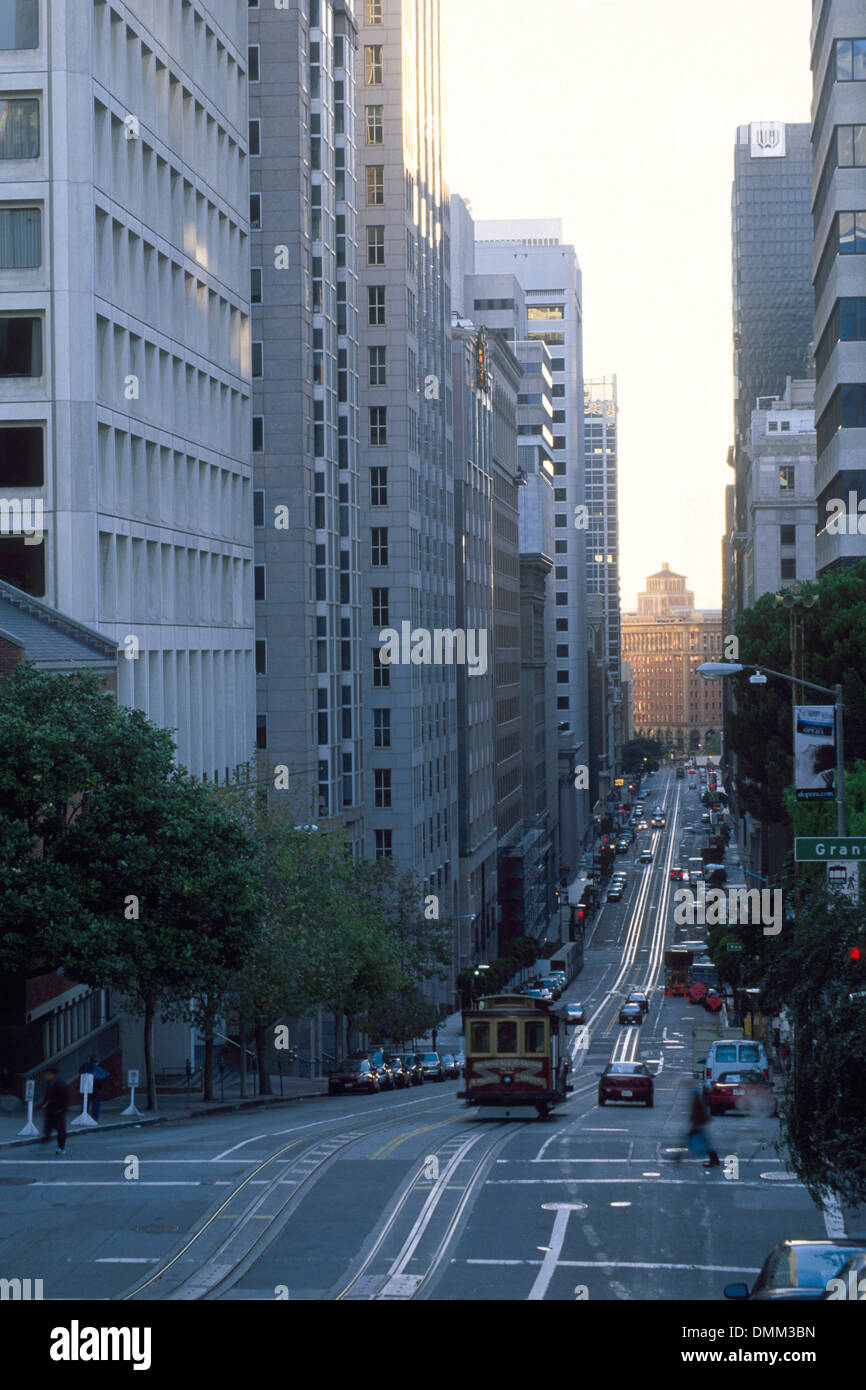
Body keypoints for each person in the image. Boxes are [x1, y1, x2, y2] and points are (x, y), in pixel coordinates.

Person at [687, 1085, 720, 1168]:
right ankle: (714, 1159)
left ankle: (714, 1160)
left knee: (704, 1141)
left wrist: (696, 1123)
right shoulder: (697, 1096)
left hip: (699, 1122)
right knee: (704, 1141)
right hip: (699, 1122)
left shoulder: (696, 1097)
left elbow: (699, 1110)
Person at [39, 1067, 69, 1155]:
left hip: (59, 1110)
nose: (46, 1076)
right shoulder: (49, 1083)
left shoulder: (60, 1084)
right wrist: (43, 1104)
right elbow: (47, 1096)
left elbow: (65, 1098)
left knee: (60, 1129)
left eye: (48, 1074)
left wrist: (61, 1109)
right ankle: (47, 1136)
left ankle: (61, 1147)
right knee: (48, 1124)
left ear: (53, 1075)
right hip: (50, 1109)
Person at [81, 1055, 109, 1121]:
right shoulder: (98, 1068)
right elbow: (104, 1076)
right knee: (96, 1104)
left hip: (86, 1087)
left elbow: (80, 1071)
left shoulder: (86, 1066)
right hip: (97, 1088)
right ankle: (94, 1118)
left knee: (85, 1103)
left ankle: (83, 1116)